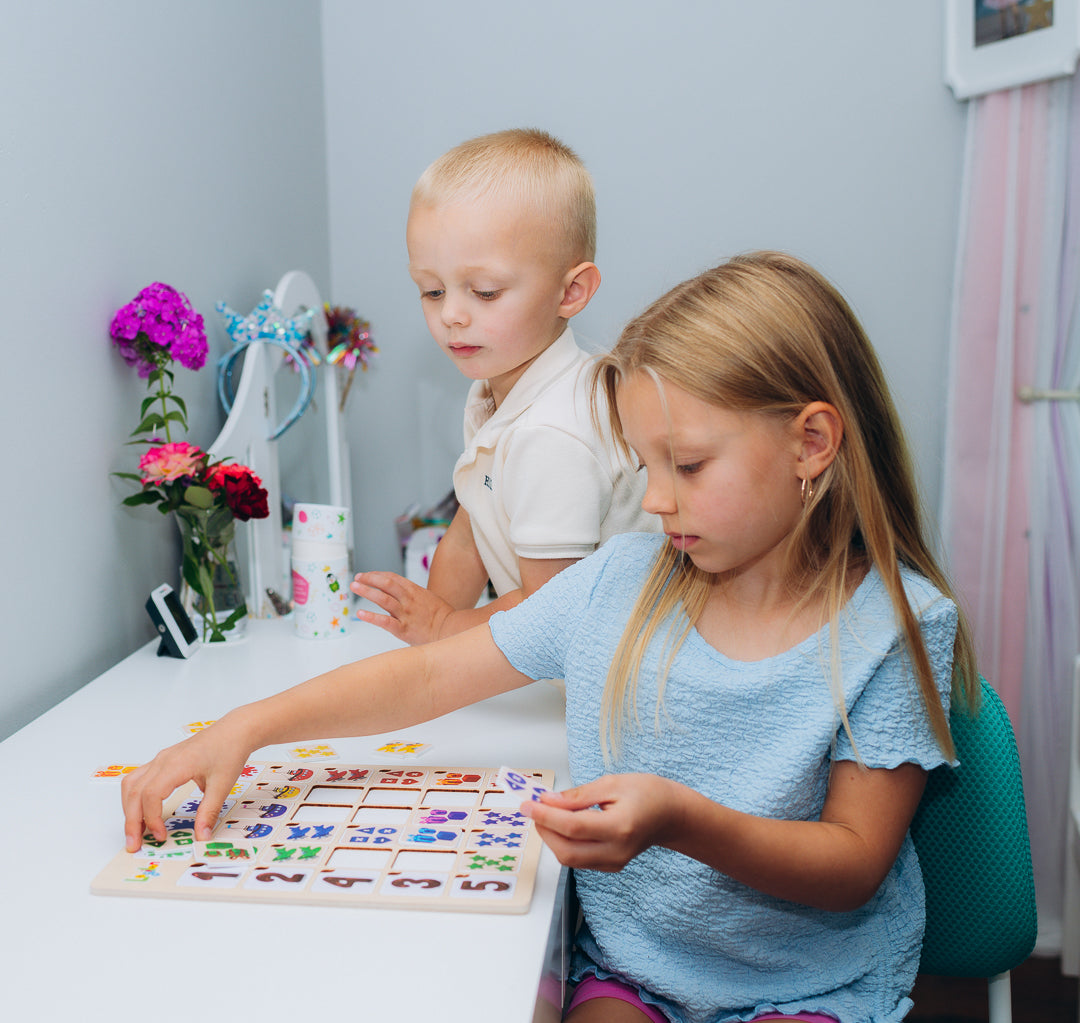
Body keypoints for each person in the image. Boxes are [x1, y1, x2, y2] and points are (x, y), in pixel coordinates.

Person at [122, 251, 978, 1023]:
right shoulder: (618, 580)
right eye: (646, 467)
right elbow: (426, 680)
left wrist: (680, 819)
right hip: (637, 972)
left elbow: (853, 862)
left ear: (812, 442)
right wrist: (247, 726)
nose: (655, 501)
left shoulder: (894, 628)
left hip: (812, 987)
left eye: (687, 466)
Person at [350, 128, 658, 645]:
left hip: (621, 681)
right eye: (431, 290)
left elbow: (551, 613)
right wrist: (431, 634)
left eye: (485, 292)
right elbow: (472, 533)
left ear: (572, 291)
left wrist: (446, 628)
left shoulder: (554, 431)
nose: (451, 314)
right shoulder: (501, 395)